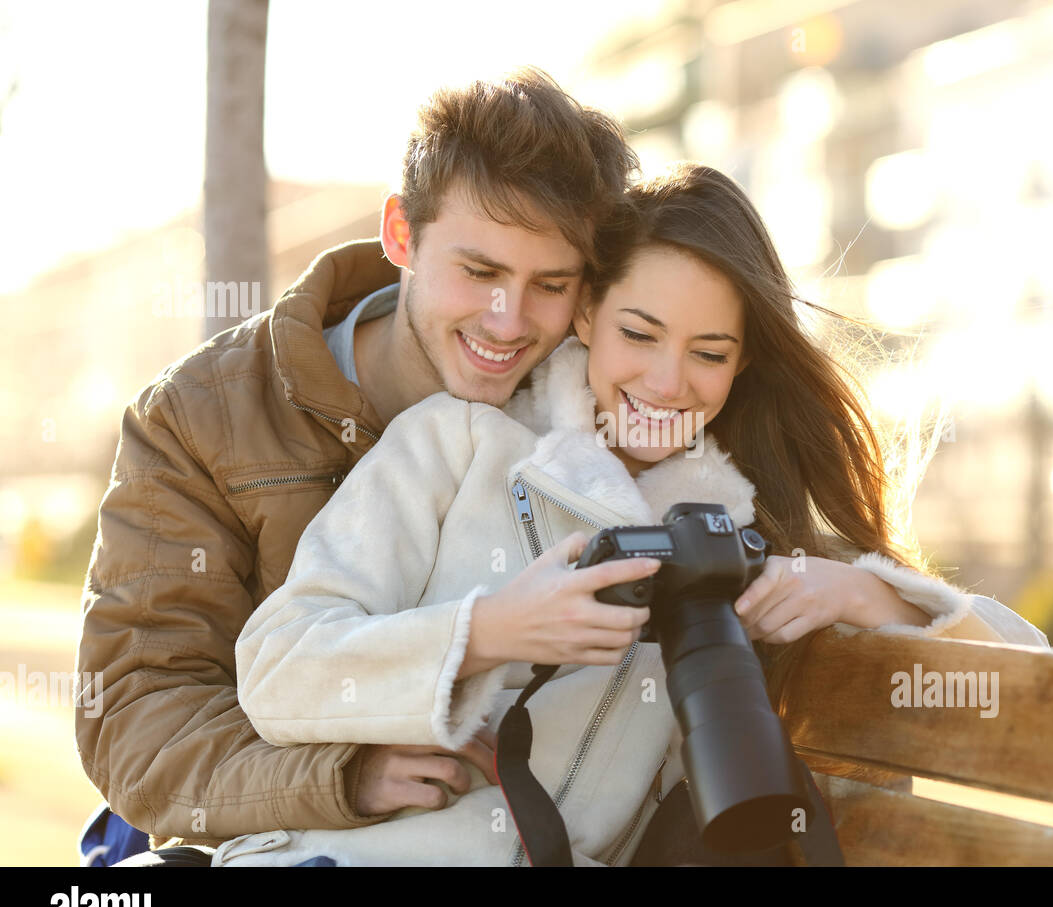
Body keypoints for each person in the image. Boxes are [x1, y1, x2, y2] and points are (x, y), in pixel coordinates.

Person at [212, 163, 1048, 867]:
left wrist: (871, 597)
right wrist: (492, 630)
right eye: (639, 335)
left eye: (708, 354)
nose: (667, 382)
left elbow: (1027, 685)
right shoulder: (456, 445)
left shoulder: (739, 531)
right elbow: (278, 668)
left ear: (743, 361)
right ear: (585, 316)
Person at [74, 67, 639, 850]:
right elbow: (137, 714)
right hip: (237, 836)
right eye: (479, 273)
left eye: (549, 284)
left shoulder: (590, 398)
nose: (508, 322)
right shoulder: (200, 415)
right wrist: (344, 774)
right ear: (402, 234)